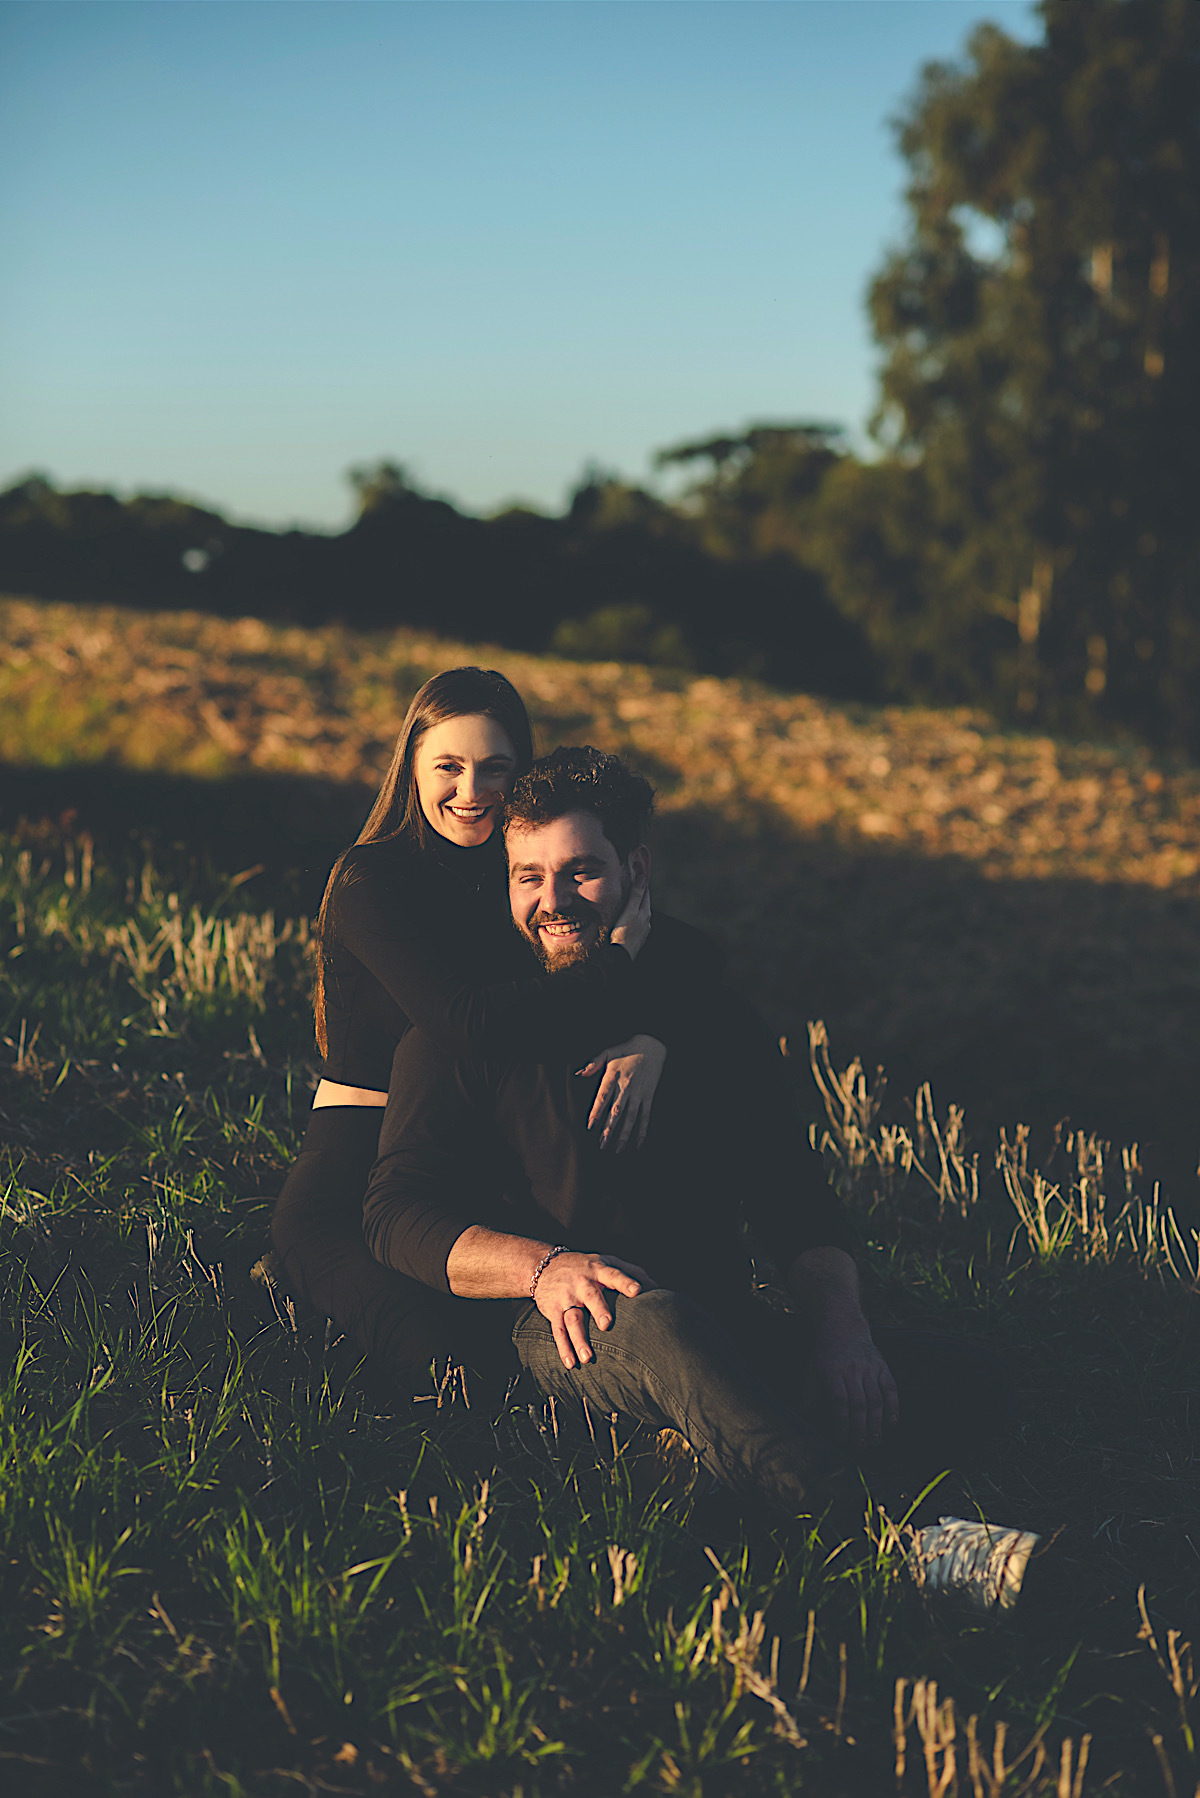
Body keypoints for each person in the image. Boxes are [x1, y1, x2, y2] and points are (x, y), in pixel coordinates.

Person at [361, 747, 1013, 1527]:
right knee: (663, 1323)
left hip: (719, 1315)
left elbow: (792, 1197)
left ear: (636, 868)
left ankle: (696, 1444)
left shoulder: (708, 1016)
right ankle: (889, 1537)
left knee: (973, 1380)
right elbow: (393, 1212)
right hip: (572, 1326)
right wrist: (540, 1267)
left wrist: (843, 1334)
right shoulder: (473, 1027)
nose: (553, 899)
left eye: (581, 871)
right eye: (528, 876)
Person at [270, 671, 700, 1394]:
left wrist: (653, 1034)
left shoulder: (521, 875)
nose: (471, 789)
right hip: (349, 1188)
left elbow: (683, 946)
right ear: (412, 768)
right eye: (449, 766)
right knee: (458, 1378)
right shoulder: (372, 882)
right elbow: (463, 1023)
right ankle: (288, 1280)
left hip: (465, 1190)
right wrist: (620, 965)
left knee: (553, 1347)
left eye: (495, 768)